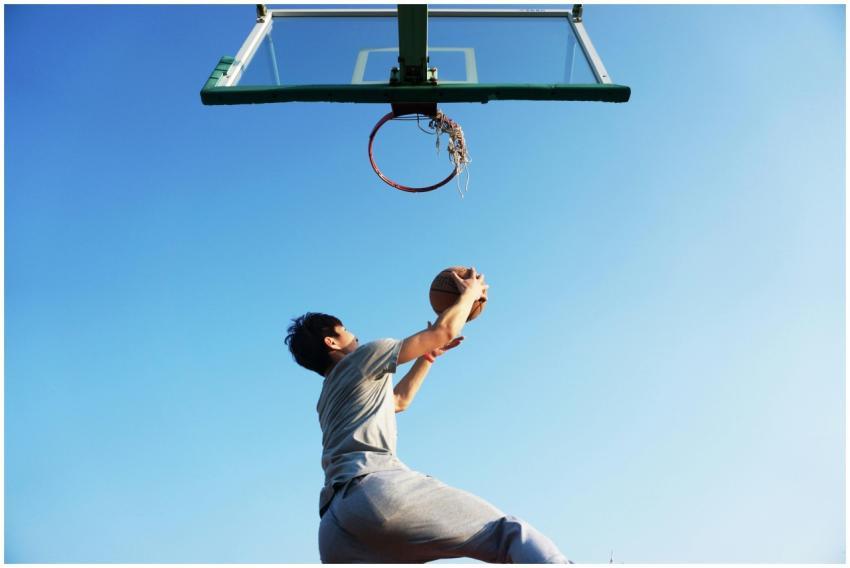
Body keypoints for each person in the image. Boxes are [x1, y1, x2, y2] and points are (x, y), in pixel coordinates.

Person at [285, 268, 569, 563]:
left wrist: (428, 356)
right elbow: (442, 331)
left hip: (334, 529)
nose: (357, 338)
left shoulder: (328, 398)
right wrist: (469, 294)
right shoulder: (363, 357)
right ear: (332, 342)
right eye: (348, 334)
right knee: (506, 533)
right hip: (373, 492)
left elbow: (398, 400)